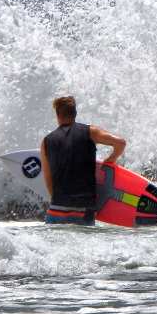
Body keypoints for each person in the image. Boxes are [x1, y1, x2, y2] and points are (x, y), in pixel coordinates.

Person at [39, 95, 126, 225]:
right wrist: (110, 160)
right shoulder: (90, 132)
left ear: (57, 116)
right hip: (83, 211)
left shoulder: (46, 141)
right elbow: (120, 143)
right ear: (75, 114)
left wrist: (60, 201)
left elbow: (48, 179)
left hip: (56, 211)